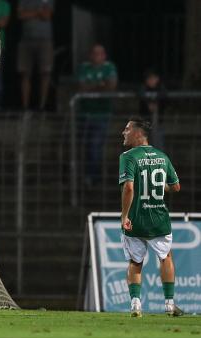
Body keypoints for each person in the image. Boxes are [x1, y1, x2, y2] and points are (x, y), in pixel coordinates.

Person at [118, 118, 182, 317]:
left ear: (138, 134)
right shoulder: (162, 157)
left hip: (136, 219)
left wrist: (124, 216)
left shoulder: (128, 157)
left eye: (127, 129)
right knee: (166, 257)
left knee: (135, 262)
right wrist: (160, 186)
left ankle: (136, 305)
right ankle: (170, 304)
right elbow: (176, 187)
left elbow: (129, 188)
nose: (123, 132)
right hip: (158, 219)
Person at [77, 44, 118, 186]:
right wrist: (100, 85)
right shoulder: (84, 67)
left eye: (100, 53)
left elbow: (111, 87)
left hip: (101, 115)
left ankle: (93, 177)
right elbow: (82, 88)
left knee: (94, 146)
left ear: (104, 55)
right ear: (90, 55)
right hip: (84, 114)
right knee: (84, 146)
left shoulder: (109, 67)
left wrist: (92, 86)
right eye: (94, 53)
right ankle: (87, 176)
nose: (97, 56)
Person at [16, 0, 54, 110]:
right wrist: (38, 11)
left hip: (45, 39)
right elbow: (20, 15)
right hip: (26, 39)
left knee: (45, 72)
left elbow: (47, 15)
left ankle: (42, 105)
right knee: (25, 73)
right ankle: (25, 106)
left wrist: (30, 12)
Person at [138, 69, 167, 148]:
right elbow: (140, 94)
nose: (151, 81)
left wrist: (156, 104)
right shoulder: (143, 88)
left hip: (158, 122)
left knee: (158, 144)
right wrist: (148, 103)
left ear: (157, 79)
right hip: (144, 122)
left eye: (153, 78)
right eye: (149, 79)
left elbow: (164, 96)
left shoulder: (161, 88)